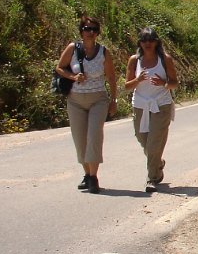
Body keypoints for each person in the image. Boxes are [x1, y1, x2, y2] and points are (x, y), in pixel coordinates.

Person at [55, 16, 117, 193]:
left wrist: (113, 100)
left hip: (98, 99)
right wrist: (73, 77)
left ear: (98, 33)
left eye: (94, 29)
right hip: (75, 100)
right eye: (87, 29)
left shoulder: (104, 52)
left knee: (94, 136)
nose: (90, 32)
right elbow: (59, 68)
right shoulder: (72, 48)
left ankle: (93, 177)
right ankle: (87, 174)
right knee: (80, 139)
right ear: (81, 31)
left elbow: (111, 77)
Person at [124, 27, 178, 193]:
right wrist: (138, 79)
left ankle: (152, 178)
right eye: (144, 40)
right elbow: (127, 86)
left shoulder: (165, 59)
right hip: (140, 105)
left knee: (154, 143)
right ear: (139, 43)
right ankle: (158, 163)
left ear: (156, 42)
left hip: (161, 105)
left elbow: (174, 83)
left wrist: (163, 83)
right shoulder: (134, 60)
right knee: (143, 140)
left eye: (151, 40)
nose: (147, 43)